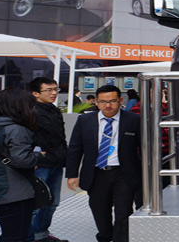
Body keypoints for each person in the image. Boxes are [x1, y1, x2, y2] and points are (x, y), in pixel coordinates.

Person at [66, 84, 142, 242]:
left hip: (124, 173)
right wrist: (72, 174)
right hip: (96, 173)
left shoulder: (134, 119)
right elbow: (75, 147)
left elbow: (144, 147)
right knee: (100, 211)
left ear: (121, 100)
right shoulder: (85, 120)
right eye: (103, 101)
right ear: (96, 102)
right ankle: (105, 237)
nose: (108, 105)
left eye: (113, 101)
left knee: (123, 213)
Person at [0, 89, 47, 242]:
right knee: (16, 237)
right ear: (20, 107)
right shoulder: (16, 130)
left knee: (12, 234)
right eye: (30, 106)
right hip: (14, 192)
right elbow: (22, 160)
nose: (33, 110)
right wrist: (38, 155)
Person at [28, 77, 69, 242]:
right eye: (49, 90)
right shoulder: (30, 112)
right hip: (40, 165)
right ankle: (31, 237)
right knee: (38, 204)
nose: (54, 93)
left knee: (52, 202)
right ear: (35, 93)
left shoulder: (54, 110)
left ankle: (42, 234)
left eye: (55, 89)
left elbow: (61, 137)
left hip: (56, 163)